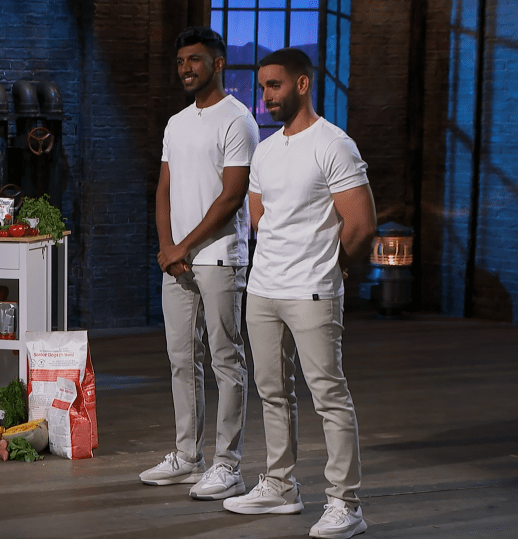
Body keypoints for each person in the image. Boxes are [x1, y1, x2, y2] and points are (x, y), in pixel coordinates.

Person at [221, 48, 376, 539]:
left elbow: (362, 225)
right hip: (264, 291)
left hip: (313, 291)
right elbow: (263, 221)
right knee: (272, 392)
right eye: (263, 86)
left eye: (275, 86)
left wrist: (334, 264)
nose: (266, 96)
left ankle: (345, 504)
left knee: (329, 396)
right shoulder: (265, 152)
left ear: (302, 85)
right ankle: (281, 485)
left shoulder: (335, 145)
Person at [139, 26, 258, 502]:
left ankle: (228, 465)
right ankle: (189, 457)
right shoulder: (176, 123)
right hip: (180, 259)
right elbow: (164, 189)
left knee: (226, 359)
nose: (186, 68)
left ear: (218, 63)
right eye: (182, 61)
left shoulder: (238, 121)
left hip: (219, 257)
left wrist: (182, 247)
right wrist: (168, 247)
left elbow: (231, 198)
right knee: (181, 359)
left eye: (195, 60)